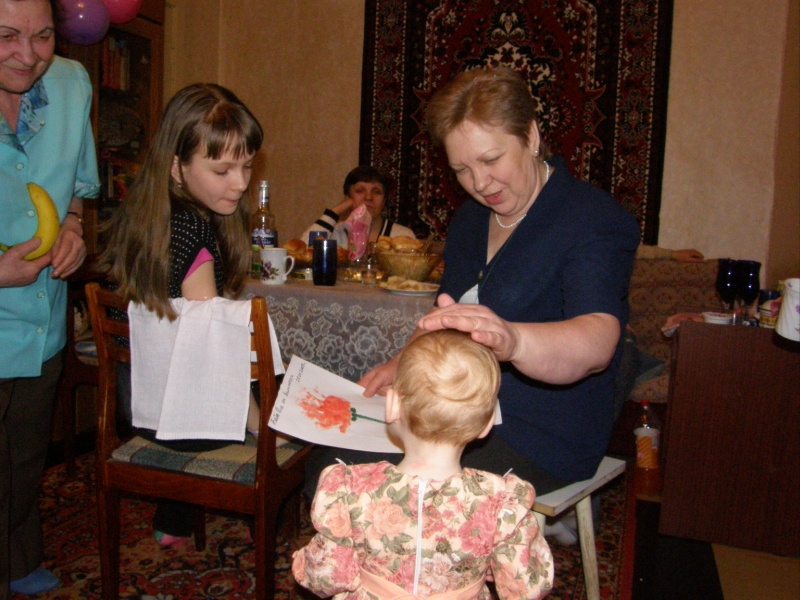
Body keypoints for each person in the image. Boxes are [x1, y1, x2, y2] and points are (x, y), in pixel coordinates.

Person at [303, 67, 642, 544]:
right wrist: (400, 364)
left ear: (531, 136)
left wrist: (514, 339)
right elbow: (449, 314)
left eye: (490, 159)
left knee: (392, 499)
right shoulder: (470, 221)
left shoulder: (592, 218)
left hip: (539, 431)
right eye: (461, 170)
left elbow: (598, 341)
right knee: (330, 468)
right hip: (454, 410)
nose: (480, 182)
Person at [95, 83, 264, 548]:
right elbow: (211, 359)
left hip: (137, 401)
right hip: (184, 421)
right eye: (222, 170)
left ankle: (173, 517)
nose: (240, 183)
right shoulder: (194, 231)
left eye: (247, 165)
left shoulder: (144, 216)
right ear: (176, 165)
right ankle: (264, 519)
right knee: (285, 400)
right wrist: (260, 423)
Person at [293, 329, 554, 600]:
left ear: (392, 406)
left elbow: (325, 575)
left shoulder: (351, 490)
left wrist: (302, 565)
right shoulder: (500, 502)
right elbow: (527, 586)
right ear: (486, 424)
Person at [0, 0, 100, 596]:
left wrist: (73, 228)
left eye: (42, 36)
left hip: (42, 319)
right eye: (6, 36)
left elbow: (77, 190)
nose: (28, 55)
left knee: (22, 457)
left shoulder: (71, 83)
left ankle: (17, 556)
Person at [300, 165, 416, 247]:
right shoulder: (335, 232)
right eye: (360, 191)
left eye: (376, 192)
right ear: (348, 198)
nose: (368, 197)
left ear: (384, 200)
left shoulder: (401, 235)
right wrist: (335, 211)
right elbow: (303, 252)